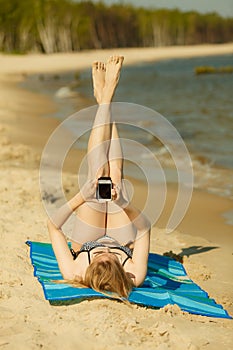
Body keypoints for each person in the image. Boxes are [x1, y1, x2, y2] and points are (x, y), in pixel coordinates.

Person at [47, 56, 151, 300]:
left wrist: (81, 197)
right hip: (122, 238)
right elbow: (145, 229)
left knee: (97, 172)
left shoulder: (74, 271)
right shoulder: (134, 273)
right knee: (115, 176)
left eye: (100, 257)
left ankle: (106, 94)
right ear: (119, 269)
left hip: (85, 238)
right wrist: (124, 203)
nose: (104, 251)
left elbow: (53, 226)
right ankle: (105, 100)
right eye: (110, 258)